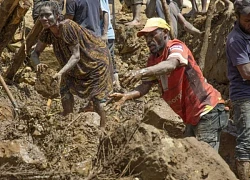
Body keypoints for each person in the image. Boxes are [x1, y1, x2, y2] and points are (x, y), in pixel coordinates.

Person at [111, 17, 229, 151]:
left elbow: (171, 64)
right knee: (193, 159)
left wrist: (142, 72)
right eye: (146, 37)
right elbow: (145, 86)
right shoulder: (153, 59)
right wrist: (127, 96)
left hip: (207, 109)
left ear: (165, 33)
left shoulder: (176, 46)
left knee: (206, 161)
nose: (149, 40)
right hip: (192, 116)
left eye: (152, 35)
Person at [30, 1, 113, 127]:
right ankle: (67, 119)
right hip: (75, 66)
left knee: (98, 99)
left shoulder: (67, 26)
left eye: (47, 15)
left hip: (95, 62)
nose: (43, 18)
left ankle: (103, 130)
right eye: (41, 16)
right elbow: (35, 53)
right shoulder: (47, 32)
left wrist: (60, 72)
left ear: (57, 15)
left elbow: (76, 55)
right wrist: (37, 64)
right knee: (64, 89)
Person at [226, 0, 250, 179]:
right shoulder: (236, 39)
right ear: (238, 18)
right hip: (244, 96)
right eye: (247, 20)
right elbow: (247, 72)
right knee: (246, 140)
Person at [100, 0, 121, 89]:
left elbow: (105, 13)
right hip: (103, 34)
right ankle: (114, 84)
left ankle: (115, 84)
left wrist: (104, 34)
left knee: (108, 60)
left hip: (105, 35)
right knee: (109, 59)